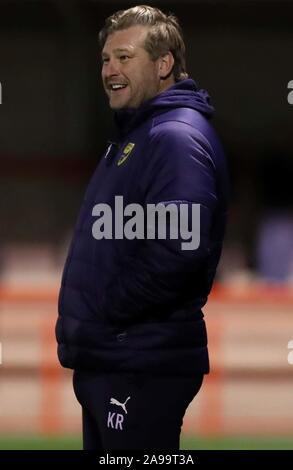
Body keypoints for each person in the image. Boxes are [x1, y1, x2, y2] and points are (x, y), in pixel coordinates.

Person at [56, 5, 229, 450]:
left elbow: (178, 251)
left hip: (140, 363)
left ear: (163, 63)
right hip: (118, 358)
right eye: (105, 59)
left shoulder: (173, 138)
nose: (110, 70)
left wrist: (106, 307)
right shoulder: (138, 135)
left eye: (124, 57)